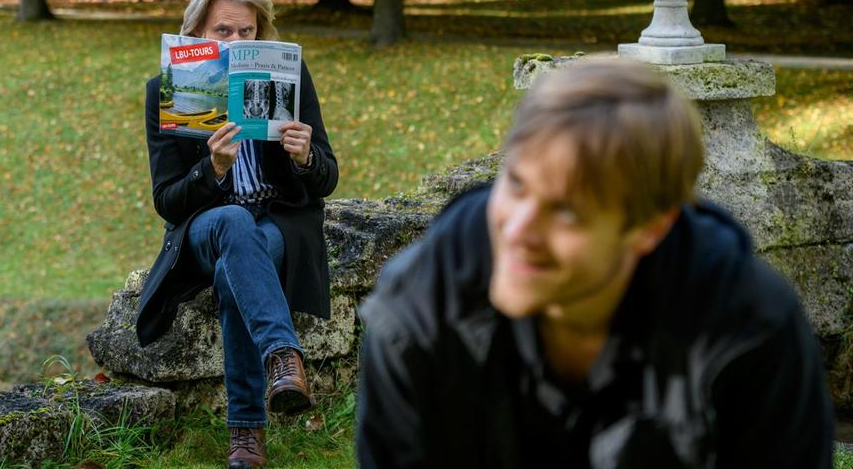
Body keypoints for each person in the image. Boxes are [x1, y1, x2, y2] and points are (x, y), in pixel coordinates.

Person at [355, 58, 834, 468]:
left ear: (649, 228)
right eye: (516, 184)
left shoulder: (749, 329)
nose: (518, 230)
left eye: (566, 211)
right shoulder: (417, 313)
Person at [138, 0, 339, 468]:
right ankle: (282, 357)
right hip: (207, 226)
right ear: (198, 35)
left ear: (260, 34)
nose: (234, 41)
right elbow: (167, 201)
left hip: (277, 223)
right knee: (230, 220)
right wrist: (213, 169)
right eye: (222, 32)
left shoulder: (289, 78)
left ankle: (246, 435)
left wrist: (303, 157)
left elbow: (327, 178)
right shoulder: (168, 89)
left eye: (245, 32)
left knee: (236, 275)